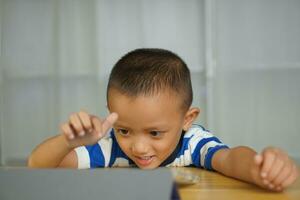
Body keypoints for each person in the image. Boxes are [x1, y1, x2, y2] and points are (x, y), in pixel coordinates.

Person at [28, 48, 298, 192]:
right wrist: (67, 142)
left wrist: (261, 167)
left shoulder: (193, 142)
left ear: (187, 118)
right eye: (124, 130)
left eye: (155, 133)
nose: (138, 147)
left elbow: (229, 159)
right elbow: (38, 168)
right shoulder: (110, 145)